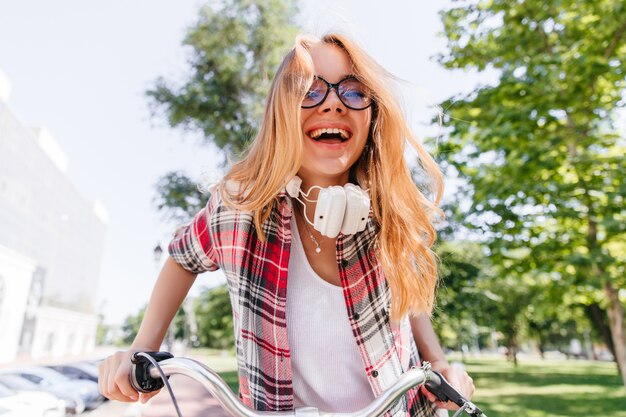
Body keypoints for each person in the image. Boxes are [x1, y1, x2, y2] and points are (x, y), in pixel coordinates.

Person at [98, 33, 474, 416]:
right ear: (280, 113)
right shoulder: (237, 209)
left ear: (372, 115)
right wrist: (141, 349)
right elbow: (182, 256)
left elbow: (408, 295)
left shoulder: (385, 214)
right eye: (308, 91)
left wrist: (439, 364)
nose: (332, 103)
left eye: (354, 92)